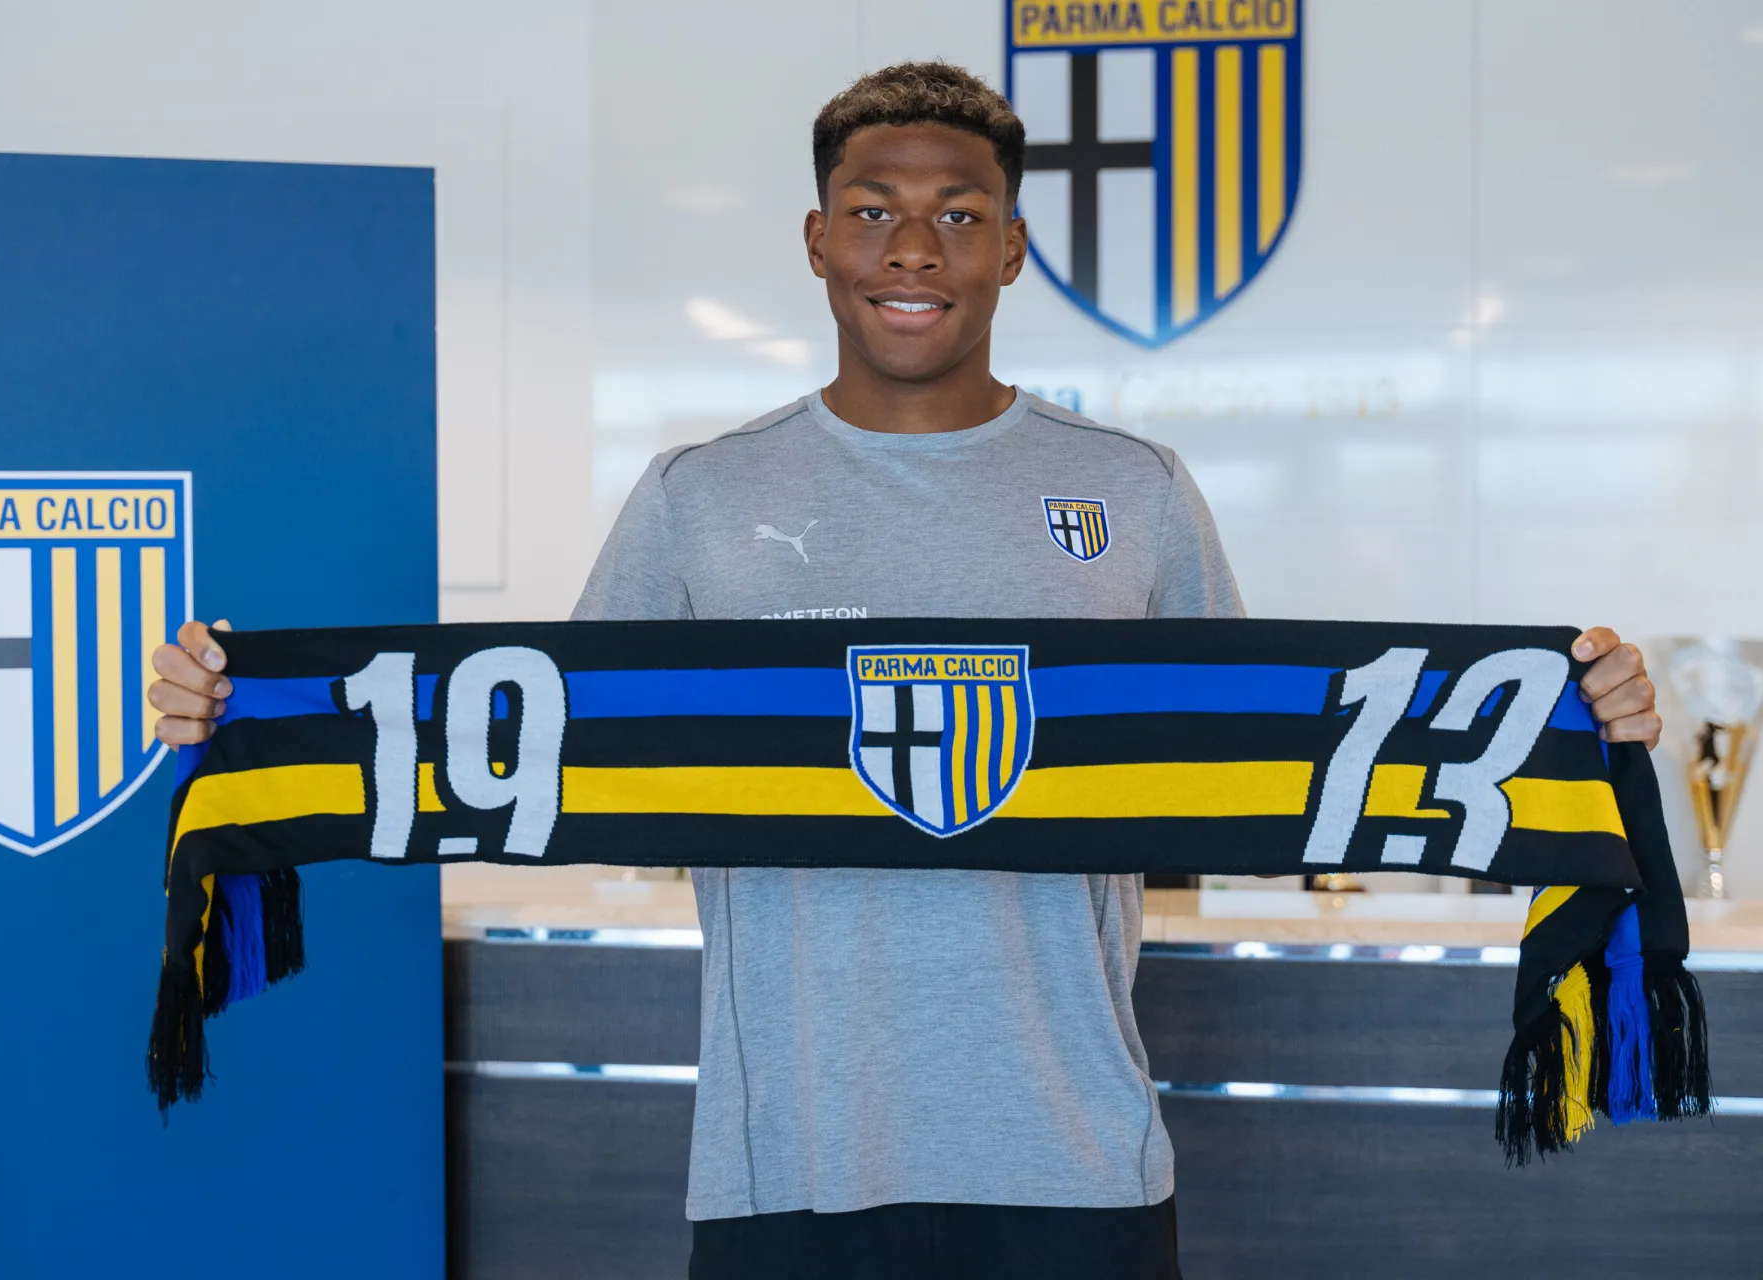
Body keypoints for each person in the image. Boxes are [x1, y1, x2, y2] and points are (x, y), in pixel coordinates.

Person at [149, 62, 1664, 1280]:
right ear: (817, 242)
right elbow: (541, 746)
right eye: (871, 210)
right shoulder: (698, 498)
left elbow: (1269, 761)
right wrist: (254, 716)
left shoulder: (1132, 491)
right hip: (787, 1166)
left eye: (956, 214)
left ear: (1011, 246)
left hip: (1079, 1158)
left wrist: (1570, 724)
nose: (913, 247)